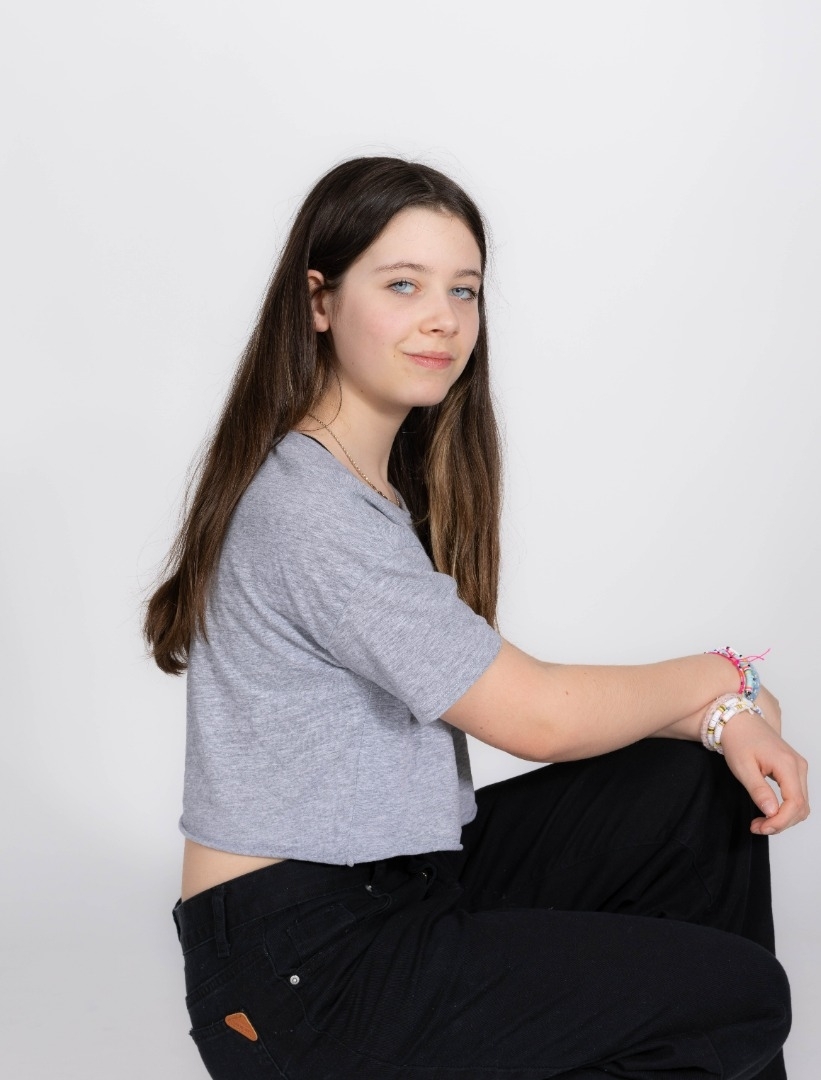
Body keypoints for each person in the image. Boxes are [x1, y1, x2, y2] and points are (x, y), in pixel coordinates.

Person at [145, 156, 809, 1080]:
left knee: (685, 795)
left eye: (463, 290)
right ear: (319, 300)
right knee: (738, 994)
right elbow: (536, 716)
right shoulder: (311, 512)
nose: (443, 319)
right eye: (402, 284)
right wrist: (722, 678)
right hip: (301, 975)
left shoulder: (370, 489)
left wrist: (720, 719)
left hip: (399, 886)